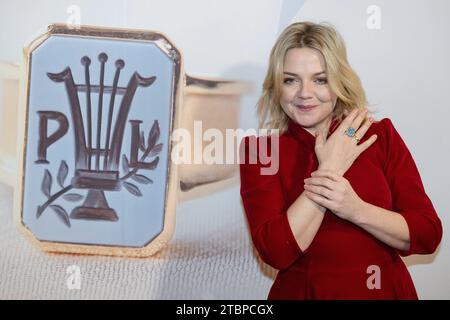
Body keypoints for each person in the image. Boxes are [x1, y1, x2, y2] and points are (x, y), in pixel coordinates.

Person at [239, 21, 442, 299]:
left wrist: (355, 209)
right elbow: (276, 251)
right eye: (290, 79)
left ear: (338, 81)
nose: (305, 93)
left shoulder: (379, 136)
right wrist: (330, 167)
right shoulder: (261, 151)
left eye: (320, 79)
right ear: (276, 87)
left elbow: (427, 234)